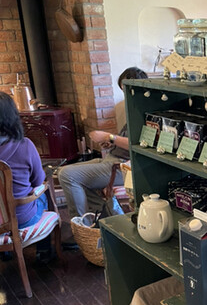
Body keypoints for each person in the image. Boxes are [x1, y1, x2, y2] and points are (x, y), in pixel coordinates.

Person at [57, 67, 147, 221]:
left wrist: (109, 136)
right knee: (62, 171)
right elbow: (127, 139)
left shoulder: (145, 111)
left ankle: (83, 224)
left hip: (123, 167)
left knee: (68, 175)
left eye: (127, 90)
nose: (125, 95)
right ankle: (104, 217)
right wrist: (111, 143)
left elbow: (138, 144)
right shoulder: (134, 108)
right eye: (123, 90)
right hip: (112, 160)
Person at [0, 91, 51, 261]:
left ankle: (5, 252)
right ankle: (44, 251)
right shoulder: (25, 145)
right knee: (43, 193)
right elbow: (38, 181)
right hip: (21, 219)